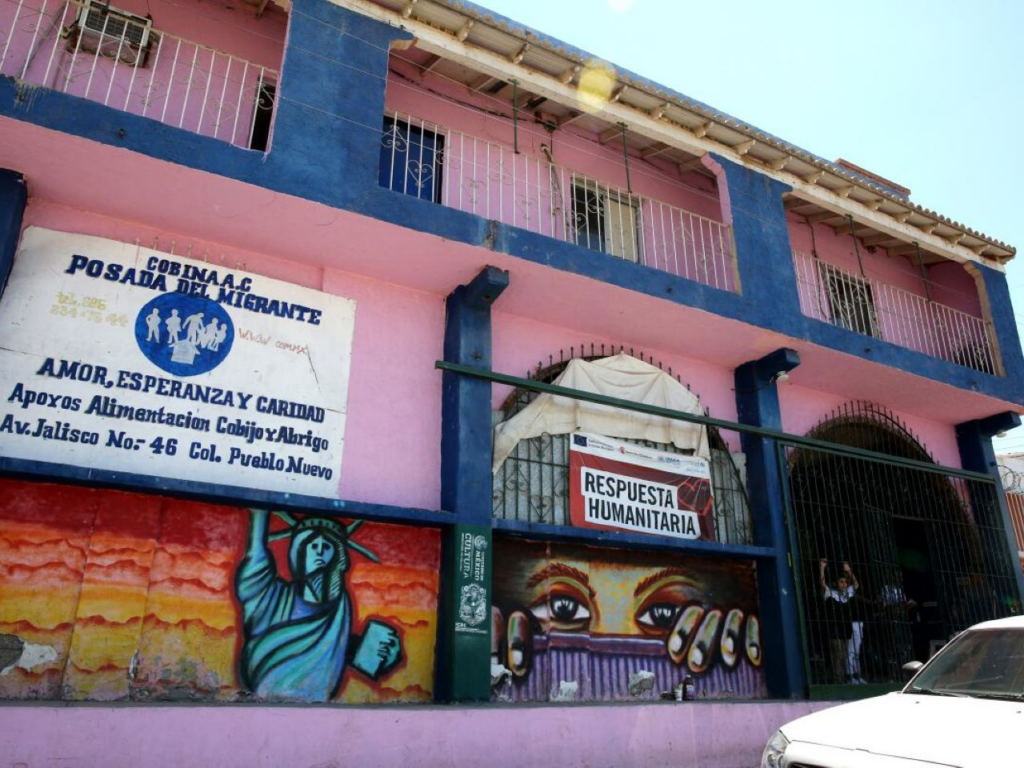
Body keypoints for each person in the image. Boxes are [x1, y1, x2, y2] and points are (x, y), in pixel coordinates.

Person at [235, 509, 402, 702]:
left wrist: (379, 653)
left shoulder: (340, 608)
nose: (320, 550)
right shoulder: (268, 596)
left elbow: (329, 650)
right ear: (299, 553)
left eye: (327, 546)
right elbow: (255, 554)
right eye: (312, 545)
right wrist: (259, 505)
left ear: (337, 557)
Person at [819, 559, 865, 684]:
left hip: (845, 630)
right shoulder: (831, 594)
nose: (844, 584)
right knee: (837, 657)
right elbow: (822, 584)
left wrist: (849, 571)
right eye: (841, 582)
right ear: (836, 583)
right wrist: (822, 568)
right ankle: (837, 681)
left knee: (843, 656)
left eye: (845, 582)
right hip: (835, 630)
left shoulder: (848, 594)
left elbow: (856, 585)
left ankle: (839, 679)